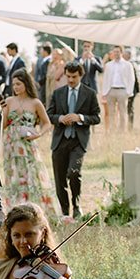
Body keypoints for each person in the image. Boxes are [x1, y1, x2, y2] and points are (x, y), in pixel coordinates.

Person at [47, 61, 100, 219]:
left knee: (73, 173)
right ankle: (64, 211)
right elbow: (49, 115)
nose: (70, 80)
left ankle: (76, 206)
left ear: (81, 75)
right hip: (60, 140)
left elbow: (97, 117)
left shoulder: (90, 94)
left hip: (78, 140)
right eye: (68, 76)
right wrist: (61, 118)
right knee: (59, 178)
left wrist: (80, 117)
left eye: (74, 77)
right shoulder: (58, 93)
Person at [0, 70, 57, 215]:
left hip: (28, 144)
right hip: (11, 144)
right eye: (14, 85)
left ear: (26, 83)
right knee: (13, 176)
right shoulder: (9, 101)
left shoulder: (35, 103)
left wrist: (38, 134)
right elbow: (4, 125)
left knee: (31, 175)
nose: (16, 87)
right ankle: (15, 208)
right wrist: (1, 112)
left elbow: (47, 123)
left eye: (18, 84)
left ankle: (33, 208)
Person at [102, 46, 135, 132]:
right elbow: (105, 79)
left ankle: (122, 131)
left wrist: (129, 92)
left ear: (121, 52)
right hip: (111, 90)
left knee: (122, 112)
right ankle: (112, 130)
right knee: (111, 113)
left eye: (117, 52)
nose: (116, 53)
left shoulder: (127, 65)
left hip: (122, 90)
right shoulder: (109, 65)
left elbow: (131, 79)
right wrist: (105, 92)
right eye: (114, 52)